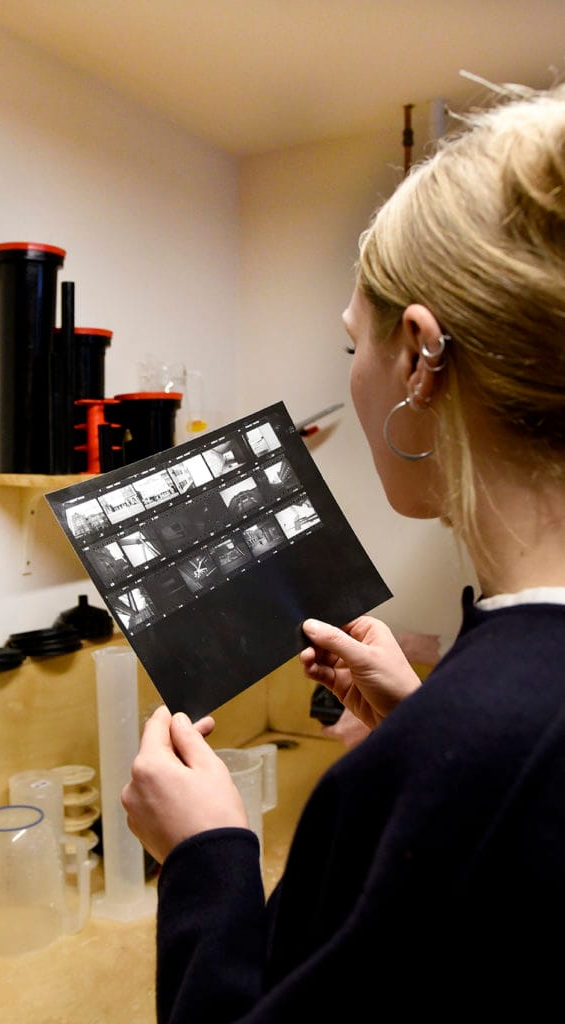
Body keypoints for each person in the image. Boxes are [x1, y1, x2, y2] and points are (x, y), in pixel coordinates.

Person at [121, 80, 565, 1019]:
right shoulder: (480, 725)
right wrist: (423, 718)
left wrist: (203, 857)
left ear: (418, 356)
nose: (352, 382)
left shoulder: (461, 755)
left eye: (349, 348)